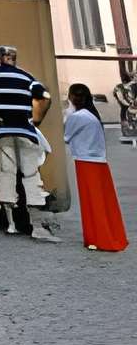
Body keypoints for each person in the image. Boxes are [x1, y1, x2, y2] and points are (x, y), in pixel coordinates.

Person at [0, 44, 53, 240]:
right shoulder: (26, 76)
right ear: (14, 58)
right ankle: (36, 225)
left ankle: (11, 225)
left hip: (3, 131)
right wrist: (36, 119)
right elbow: (45, 96)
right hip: (26, 131)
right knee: (31, 176)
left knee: (7, 175)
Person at [64, 82, 127, 252]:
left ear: (72, 97)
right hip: (99, 161)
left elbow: (66, 136)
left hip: (85, 161)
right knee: (101, 201)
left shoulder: (77, 116)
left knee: (90, 202)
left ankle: (97, 237)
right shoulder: (92, 115)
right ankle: (103, 235)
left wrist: (68, 112)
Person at [115, 71, 137, 147]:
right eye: (134, 76)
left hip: (130, 107)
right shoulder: (121, 87)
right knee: (127, 114)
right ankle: (128, 131)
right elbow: (122, 99)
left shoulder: (132, 86)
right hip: (128, 108)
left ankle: (130, 130)